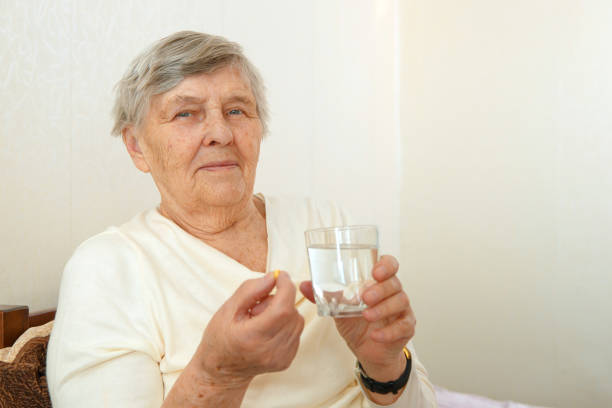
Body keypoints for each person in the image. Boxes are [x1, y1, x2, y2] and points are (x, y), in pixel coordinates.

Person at [46, 31, 437, 408]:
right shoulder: (106, 270)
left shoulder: (324, 225)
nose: (220, 132)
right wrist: (217, 375)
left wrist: (384, 366)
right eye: (186, 113)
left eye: (236, 110)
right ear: (136, 146)